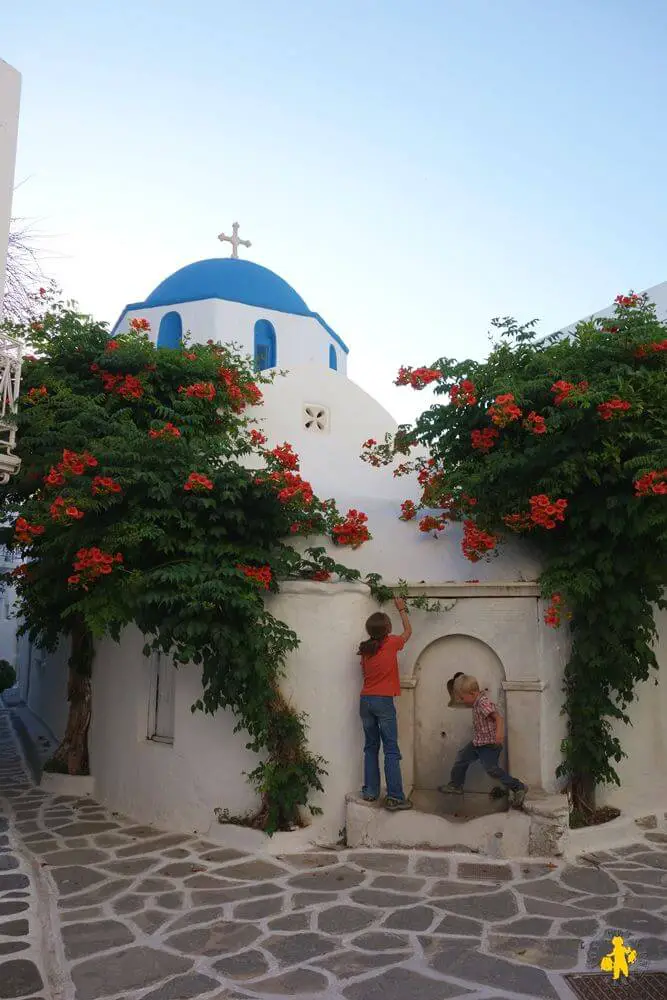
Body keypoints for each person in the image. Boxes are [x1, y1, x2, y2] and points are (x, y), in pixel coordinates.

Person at [358, 597, 413, 811]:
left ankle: (370, 792)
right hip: (383, 701)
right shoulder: (391, 643)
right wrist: (401, 608)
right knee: (391, 749)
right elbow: (408, 631)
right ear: (387, 629)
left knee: (371, 747)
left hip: (365, 701)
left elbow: (365, 673)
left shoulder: (365, 649)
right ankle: (395, 797)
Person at [439, 674, 527, 808]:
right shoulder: (476, 701)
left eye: (462, 697)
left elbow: (498, 718)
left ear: (473, 693)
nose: (461, 700)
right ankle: (456, 785)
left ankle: (518, 787)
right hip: (479, 742)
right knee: (462, 757)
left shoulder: (482, 703)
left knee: (492, 769)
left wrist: (499, 733)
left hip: (489, 745)